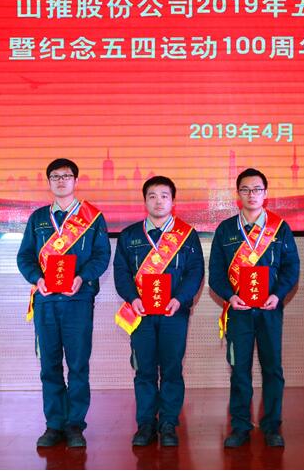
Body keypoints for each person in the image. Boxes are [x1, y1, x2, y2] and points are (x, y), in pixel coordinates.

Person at [16, 158, 111, 448]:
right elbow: (25, 256)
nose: (61, 181)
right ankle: (54, 424)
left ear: (76, 181)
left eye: (66, 176)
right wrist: (37, 279)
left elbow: (101, 256)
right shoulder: (38, 219)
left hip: (78, 300)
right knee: (50, 365)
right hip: (46, 301)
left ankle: (75, 426)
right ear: (49, 182)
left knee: (78, 364)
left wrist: (82, 278)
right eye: (55, 176)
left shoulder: (93, 218)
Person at [208, 168, 300, 448]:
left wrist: (278, 295)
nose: (251, 195)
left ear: (265, 194)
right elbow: (216, 274)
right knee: (239, 370)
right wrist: (229, 296)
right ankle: (240, 426)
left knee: (273, 370)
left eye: (257, 189)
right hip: (239, 313)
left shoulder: (280, 228)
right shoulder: (226, 230)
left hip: (270, 311)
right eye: (245, 190)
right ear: (238, 194)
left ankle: (272, 426)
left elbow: (291, 268)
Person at [113, 176, 204, 447]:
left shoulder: (187, 235)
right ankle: (145, 424)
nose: (158, 201)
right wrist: (132, 298)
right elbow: (121, 272)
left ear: (173, 201)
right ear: (145, 201)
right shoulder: (130, 235)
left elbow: (195, 272)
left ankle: (168, 423)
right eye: (152, 196)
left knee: (172, 369)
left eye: (164, 196)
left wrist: (180, 299)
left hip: (174, 314)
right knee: (144, 370)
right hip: (141, 314)